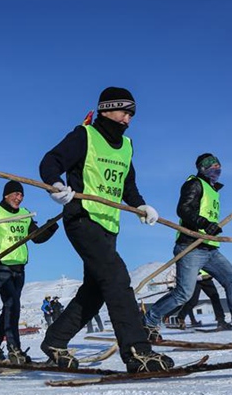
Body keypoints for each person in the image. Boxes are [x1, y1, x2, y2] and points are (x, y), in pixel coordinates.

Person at [38, 86, 174, 373]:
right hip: (81, 218)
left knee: (95, 290)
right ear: (107, 109)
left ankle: (55, 341)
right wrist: (56, 186)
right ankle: (138, 351)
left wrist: (141, 206)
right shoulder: (84, 135)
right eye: (124, 112)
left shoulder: (126, 146)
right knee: (116, 279)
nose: (128, 119)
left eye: (132, 114)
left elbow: (128, 185)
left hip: (109, 225)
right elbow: (51, 161)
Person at [143, 153, 232, 344]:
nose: (217, 170)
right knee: (184, 294)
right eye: (212, 166)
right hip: (190, 246)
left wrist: (211, 227)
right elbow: (184, 209)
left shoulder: (213, 190)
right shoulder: (194, 184)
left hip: (210, 248)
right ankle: (148, 322)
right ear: (203, 168)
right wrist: (204, 223)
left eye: (219, 167)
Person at [0, 180, 59, 364]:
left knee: (11, 307)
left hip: (19, 268)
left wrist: (50, 227)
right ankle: (14, 348)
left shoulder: (25, 214)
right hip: (1, 266)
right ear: (6, 195)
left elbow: (36, 238)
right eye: (15, 194)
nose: (19, 198)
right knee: (12, 304)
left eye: (21, 195)